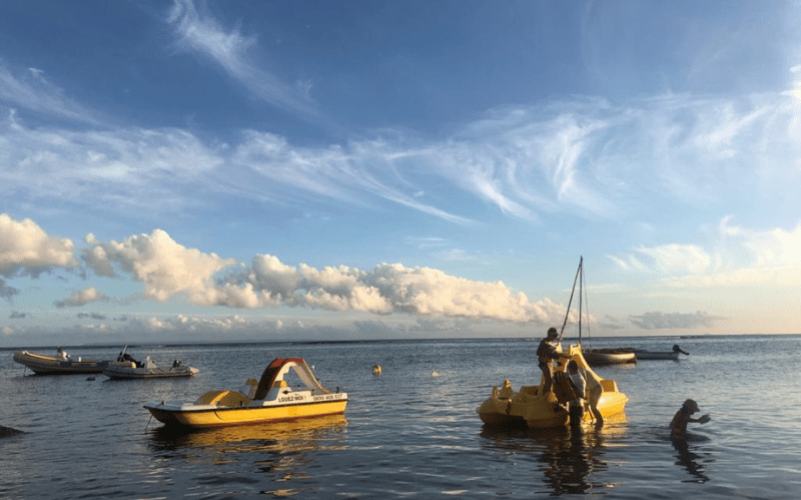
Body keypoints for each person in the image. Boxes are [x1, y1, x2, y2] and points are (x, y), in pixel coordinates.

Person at [566, 360, 604, 426]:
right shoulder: (576, 370)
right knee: (587, 405)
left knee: (593, 407)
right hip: (590, 389)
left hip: (596, 388)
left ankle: (600, 421)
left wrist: (585, 396)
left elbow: (583, 384)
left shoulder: (580, 372)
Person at [537, 327, 569, 395]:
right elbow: (546, 353)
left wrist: (561, 357)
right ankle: (545, 396)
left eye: (556, 336)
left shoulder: (550, 343)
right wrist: (556, 354)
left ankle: (548, 393)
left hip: (548, 363)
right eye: (554, 336)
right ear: (549, 335)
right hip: (544, 363)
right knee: (549, 380)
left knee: (550, 380)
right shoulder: (545, 343)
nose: (555, 337)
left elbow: (553, 353)